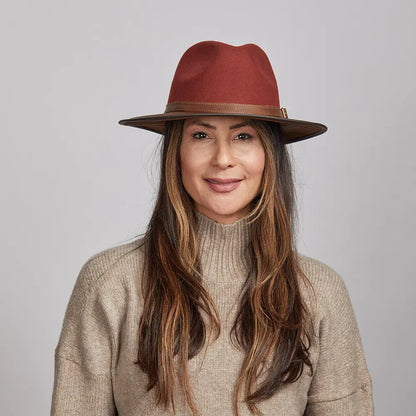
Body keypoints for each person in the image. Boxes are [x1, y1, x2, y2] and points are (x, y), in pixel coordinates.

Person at [50, 41, 374, 416]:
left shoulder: (319, 293)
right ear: (177, 152)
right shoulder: (110, 284)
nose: (223, 159)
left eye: (243, 136)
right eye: (201, 135)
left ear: (269, 153)